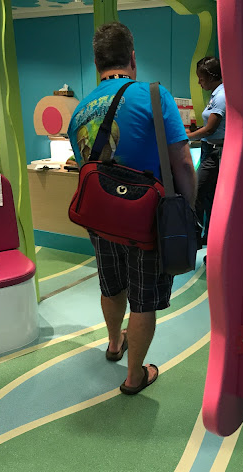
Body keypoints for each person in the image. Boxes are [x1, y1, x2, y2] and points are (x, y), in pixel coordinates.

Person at [68, 22, 197, 395]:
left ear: (97, 63)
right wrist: (188, 212)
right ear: (133, 59)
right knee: (143, 300)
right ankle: (134, 376)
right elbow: (182, 163)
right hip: (146, 222)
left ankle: (113, 343)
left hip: (101, 219)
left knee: (111, 285)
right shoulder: (154, 96)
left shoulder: (79, 111)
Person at [187, 57, 225, 257]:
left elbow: (210, 129)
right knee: (207, 197)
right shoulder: (215, 94)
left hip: (215, 153)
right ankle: (206, 236)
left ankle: (195, 239)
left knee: (197, 193)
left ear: (211, 76)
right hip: (208, 150)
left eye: (201, 78)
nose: (199, 82)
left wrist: (185, 136)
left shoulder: (221, 96)